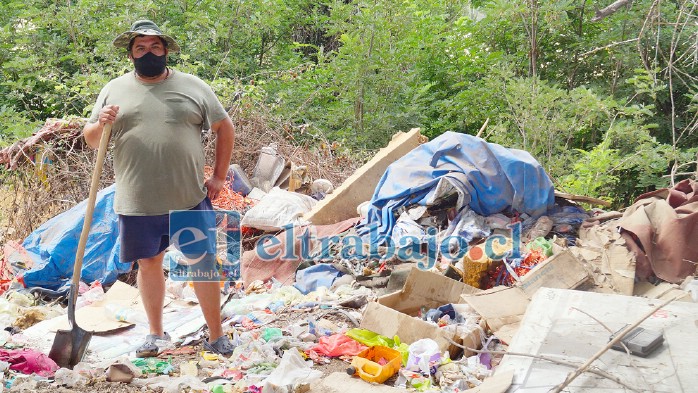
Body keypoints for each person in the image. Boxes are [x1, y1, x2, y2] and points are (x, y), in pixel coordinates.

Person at [83, 20, 236, 357]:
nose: (148, 53)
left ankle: (216, 335)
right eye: (140, 48)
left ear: (165, 51)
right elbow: (92, 141)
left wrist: (219, 177)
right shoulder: (114, 89)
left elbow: (225, 127)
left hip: (188, 198)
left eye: (155, 47)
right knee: (149, 263)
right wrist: (100, 123)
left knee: (203, 262)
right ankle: (155, 334)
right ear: (131, 54)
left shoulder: (194, 86)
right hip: (137, 200)